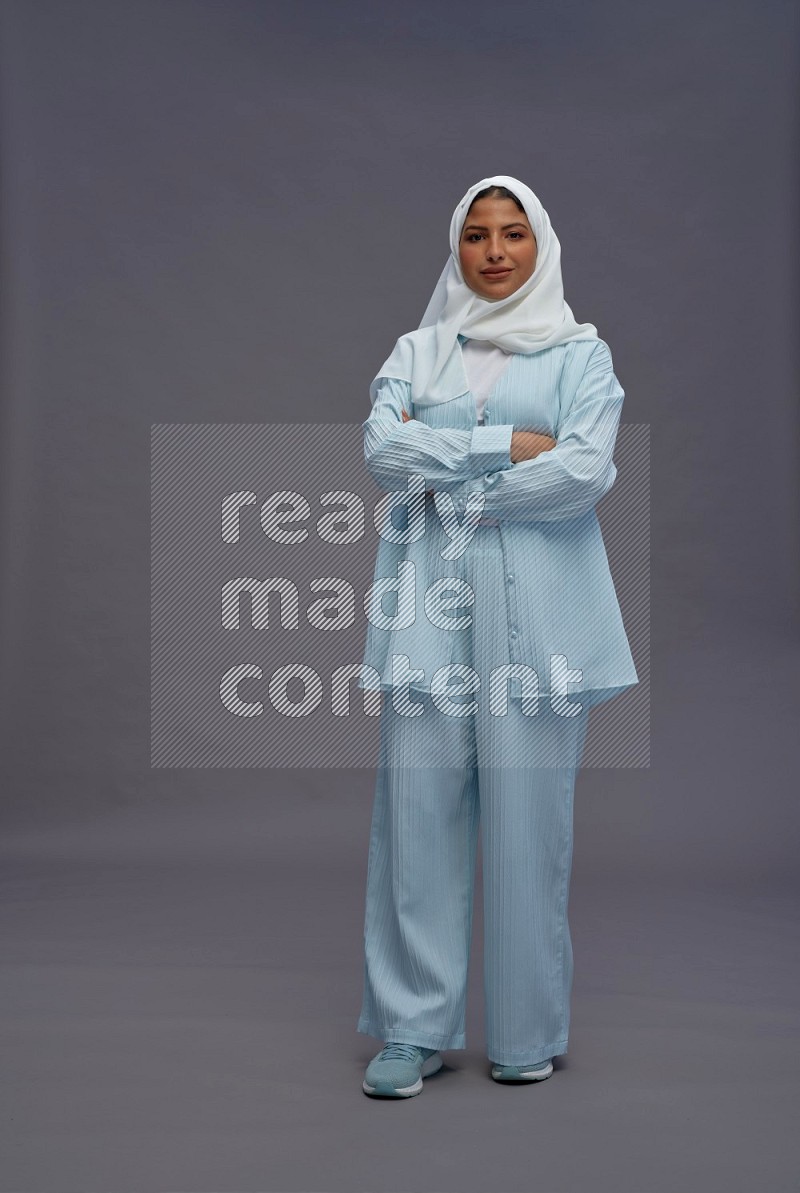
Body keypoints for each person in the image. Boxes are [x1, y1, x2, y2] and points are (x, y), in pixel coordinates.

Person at [355, 175, 638, 1098]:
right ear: (457, 246)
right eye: (477, 235)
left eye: (513, 233)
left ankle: (524, 1030)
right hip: (428, 618)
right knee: (417, 820)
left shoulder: (581, 356)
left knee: (530, 827)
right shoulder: (418, 349)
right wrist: (499, 447)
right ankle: (412, 1028)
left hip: (542, 627)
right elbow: (377, 449)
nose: (495, 251)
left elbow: (584, 473)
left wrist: (445, 480)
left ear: (539, 243)